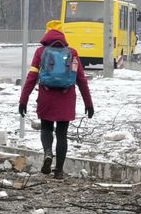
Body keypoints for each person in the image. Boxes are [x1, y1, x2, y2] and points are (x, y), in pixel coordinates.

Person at [19, 20, 95, 179]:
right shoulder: (72, 53)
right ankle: (59, 171)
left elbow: (32, 77)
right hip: (66, 99)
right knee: (62, 133)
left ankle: (48, 152)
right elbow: (81, 79)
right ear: (63, 34)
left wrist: (23, 100)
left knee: (46, 128)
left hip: (46, 96)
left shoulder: (41, 52)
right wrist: (89, 103)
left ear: (47, 34)